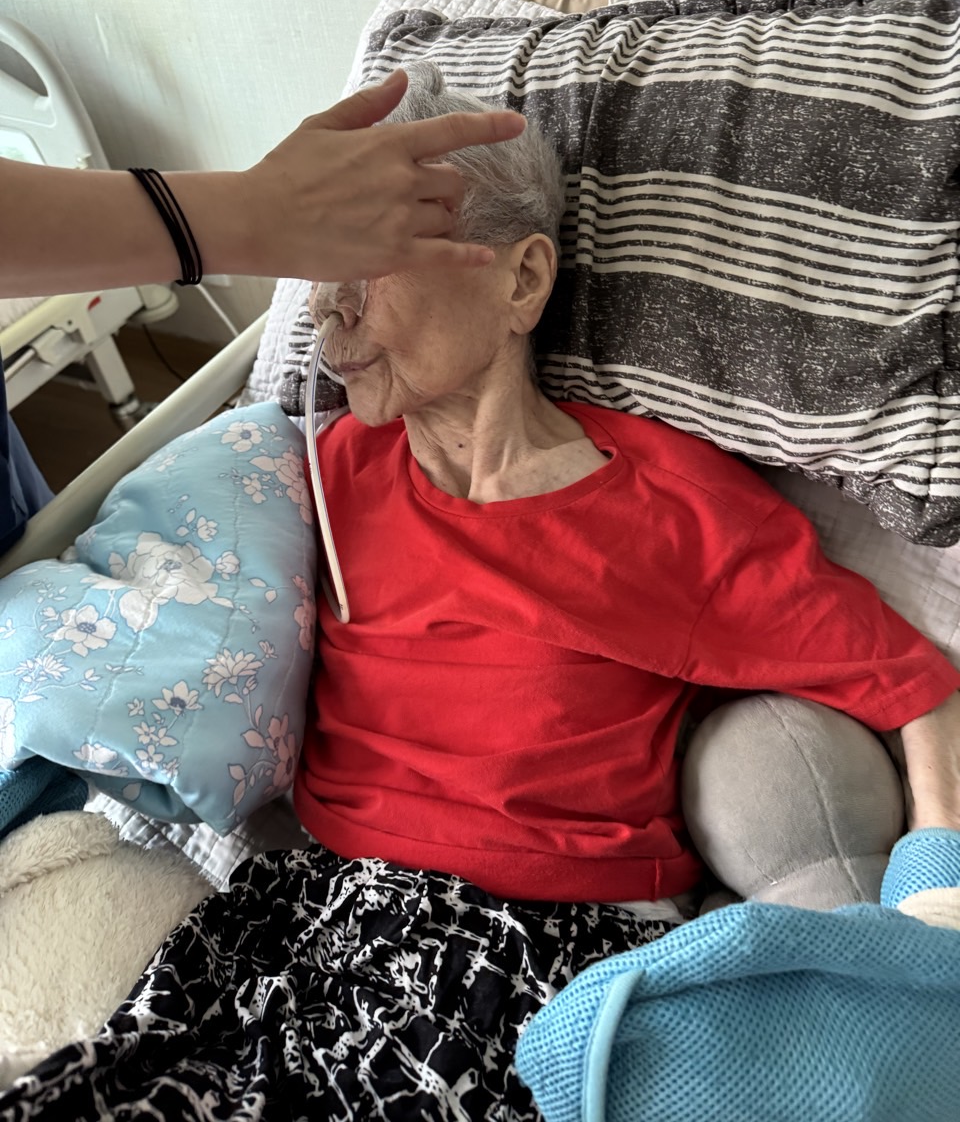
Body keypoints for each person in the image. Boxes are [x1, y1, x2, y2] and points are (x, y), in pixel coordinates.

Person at [4, 63, 959, 1122]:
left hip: (522, 963)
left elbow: (917, 686)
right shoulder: (311, 473)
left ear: (521, 280)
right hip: (303, 924)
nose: (327, 310)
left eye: (363, 259)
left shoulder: (668, 512)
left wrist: (936, 903)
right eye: (317, 275)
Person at [0, 68, 526, 556]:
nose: (324, 308)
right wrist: (248, 209)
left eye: (379, 253)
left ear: (524, 280)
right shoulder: (284, 472)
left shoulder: (582, 526)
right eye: (326, 264)